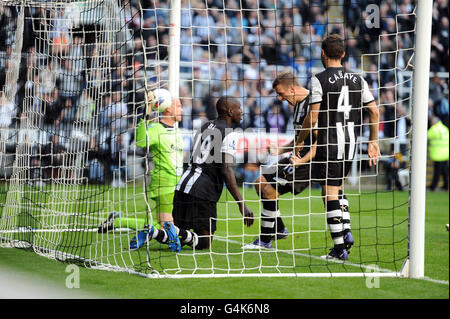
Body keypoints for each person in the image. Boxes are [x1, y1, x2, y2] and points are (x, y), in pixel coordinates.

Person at [129, 96, 254, 252]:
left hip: (183, 184)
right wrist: (242, 204)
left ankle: (154, 232)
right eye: (239, 109)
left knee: (179, 236)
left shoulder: (204, 127)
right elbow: (226, 169)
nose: (241, 112)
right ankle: (163, 231)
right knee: (204, 242)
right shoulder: (230, 133)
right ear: (230, 111)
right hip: (202, 190)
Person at [295, 34, 380, 261]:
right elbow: (374, 111)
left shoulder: (318, 79)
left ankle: (340, 248)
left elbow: (312, 117)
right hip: (350, 144)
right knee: (333, 189)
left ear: (323, 53)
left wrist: (299, 139)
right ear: (343, 54)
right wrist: (373, 140)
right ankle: (346, 231)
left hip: (328, 143)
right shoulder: (358, 79)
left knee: (330, 192)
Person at [243, 70, 317, 249]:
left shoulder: (313, 105)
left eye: (281, 93)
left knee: (269, 191)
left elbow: (319, 141)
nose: (280, 98)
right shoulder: (298, 105)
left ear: (291, 88)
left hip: (308, 161)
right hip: (295, 157)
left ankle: (265, 240)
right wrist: (280, 150)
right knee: (259, 182)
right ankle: (280, 229)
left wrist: (301, 161)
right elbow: (300, 137)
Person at [97, 89, 184, 233]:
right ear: (168, 109)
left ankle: (117, 220)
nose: (182, 109)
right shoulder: (156, 128)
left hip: (177, 183)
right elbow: (141, 141)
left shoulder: (176, 130)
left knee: (165, 226)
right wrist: (146, 112)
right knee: (167, 230)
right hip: (164, 183)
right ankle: (119, 221)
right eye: (179, 106)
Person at [427, 116, 449, 191]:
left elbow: (426, 136)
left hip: (438, 154)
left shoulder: (434, 129)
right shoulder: (445, 128)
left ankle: (433, 186)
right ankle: (446, 186)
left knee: (437, 171)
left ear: (434, 122)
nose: (430, 123)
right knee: (444, 171)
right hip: (446, 153)